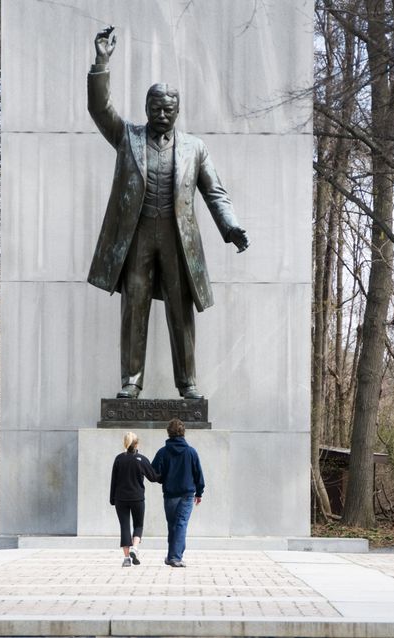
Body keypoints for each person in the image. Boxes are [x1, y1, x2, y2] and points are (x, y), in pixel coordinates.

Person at [87, 27, 250, 401]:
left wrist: (231, 226)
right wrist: (102, 62)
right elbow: (99, 109)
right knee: (134, 307)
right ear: (146, 109)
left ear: (178, 110)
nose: (162, 114)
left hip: (179, 240)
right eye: (156, 108)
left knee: (181, 310)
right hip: (137, 235)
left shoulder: (195, 148)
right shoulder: (127, 136)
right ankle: (132, 380)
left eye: (169, 108)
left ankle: (188, 383)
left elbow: (215, 192)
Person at [151, 418, 204, 567]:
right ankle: (175, 557)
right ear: (183, 432)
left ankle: (172, 556)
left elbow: (153, 472)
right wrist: (199, 492)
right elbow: (198, 473)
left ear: (168, 432)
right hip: (187, 494)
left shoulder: (163, 452)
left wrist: (163, 480)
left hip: (170, 494)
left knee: (173, 525)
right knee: (180, 524)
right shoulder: (191, 452)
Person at [110, 431, 160, 567]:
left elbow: (113, 480)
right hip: (137, 498)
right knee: (138, 525)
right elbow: (154, 477)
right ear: (137, 443)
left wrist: (112, 499)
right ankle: (135, 548)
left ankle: (126, 559)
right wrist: (166, 474)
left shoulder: (119, 459)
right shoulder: (141, 459)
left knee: (124, 526)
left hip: (120, 498)